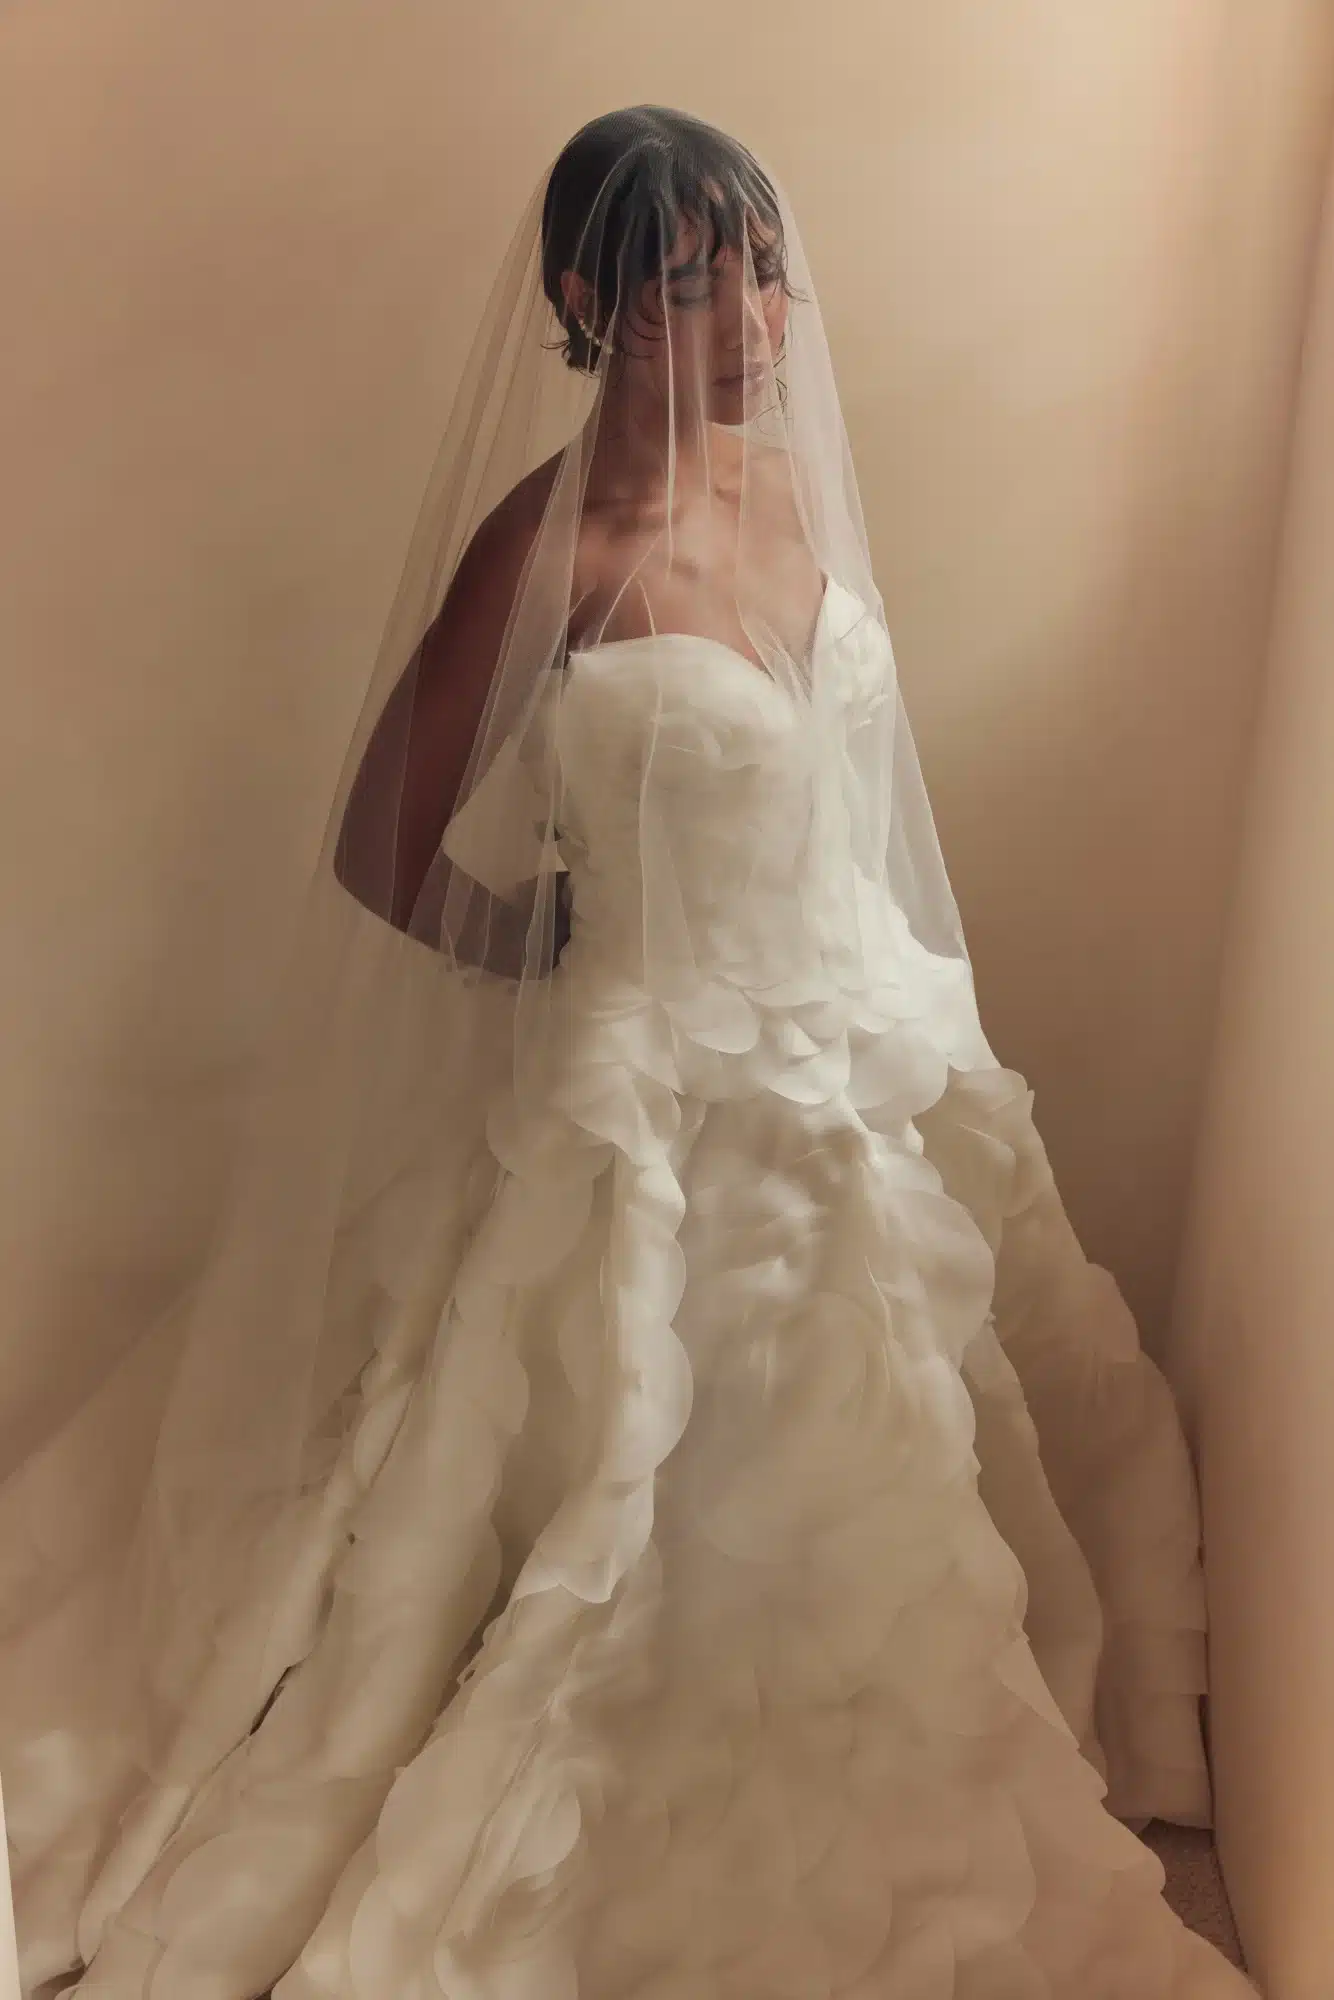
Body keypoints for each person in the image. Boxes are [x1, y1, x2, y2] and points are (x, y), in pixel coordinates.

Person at [4, 106, 1253, 1997]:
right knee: (664, 1486)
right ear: (589, 300)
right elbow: (380, 842)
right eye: (688, 285)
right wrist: (543, 947)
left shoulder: (791, 483)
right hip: (660, 1102)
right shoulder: (551, 546)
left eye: (763, 270)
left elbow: (842, 789)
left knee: (933, 1439)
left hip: (858, 1043)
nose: (751, 321)